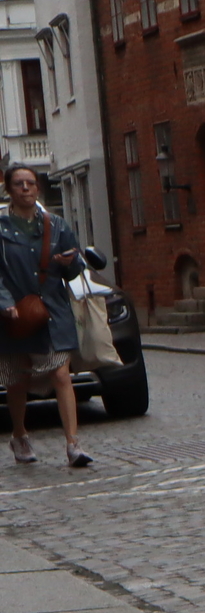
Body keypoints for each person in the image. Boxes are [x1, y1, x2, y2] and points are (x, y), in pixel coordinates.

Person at [0, 162, 89, 468]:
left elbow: (77, 268)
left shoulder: (57, 225)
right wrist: (4, 301)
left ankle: (73, 444)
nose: (25, 189)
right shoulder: (0, 228)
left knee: (61, 374)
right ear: (9, 190)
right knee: (17, 380)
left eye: (30, 184)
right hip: (16, 314)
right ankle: (20, 433)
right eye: (19, 184)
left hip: (52, 309)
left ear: (37, 188)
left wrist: (69, 262)